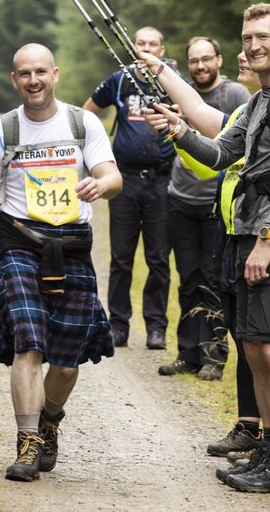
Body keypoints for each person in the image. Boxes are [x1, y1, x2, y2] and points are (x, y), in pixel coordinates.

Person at [145, 3, 270, 495]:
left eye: (262, 36)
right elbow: (223, 152)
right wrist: (179, 131)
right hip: (250, 236)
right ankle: (268, 449)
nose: (253, 46)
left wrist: (266, 241)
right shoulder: (262, 99)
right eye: (247, 38)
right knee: (257, 346)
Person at [0, 44, 122, 482]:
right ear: (14, 80)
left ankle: (50, 418)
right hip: (20, 245)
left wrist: (99, 185)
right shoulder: (0, 132)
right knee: (28, 344)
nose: (33, 81)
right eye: (24, 74)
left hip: (72, 246)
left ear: (55, 74)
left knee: (67, 361)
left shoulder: (81, 123)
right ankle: (28, 441)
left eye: (40, 73)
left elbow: (113, 176)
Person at [157, 37, 249, 381]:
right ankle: (187, 353)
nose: (200, 66)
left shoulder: (236, 95)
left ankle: (214, 356)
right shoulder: (176, 95)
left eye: (206, 59)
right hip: (180, 199)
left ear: (219, 60)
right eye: (193, 61)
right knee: (187, 280)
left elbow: (240, 146)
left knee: (212, 282)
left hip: (215, 204)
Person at [83, 26, 176, 350]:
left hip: (163, 180)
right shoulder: (120, 79)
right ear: (134, 47)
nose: (146, 48)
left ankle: (156, 328)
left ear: (162, 50)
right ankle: (118, 325)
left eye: (153, 44)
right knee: (121, 257)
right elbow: (87, 112)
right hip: (124, 180)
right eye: (141, 44)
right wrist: (93, 151)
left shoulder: (171, 82)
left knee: (158, 258)